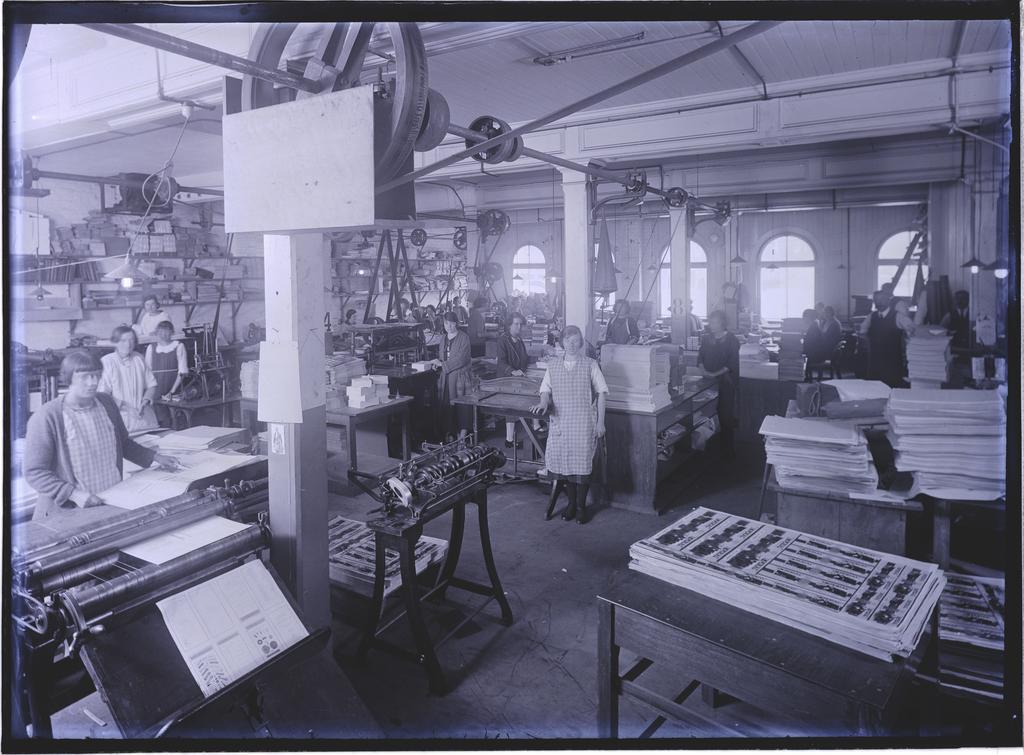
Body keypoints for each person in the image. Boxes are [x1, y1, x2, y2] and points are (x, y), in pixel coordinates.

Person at [23, 350, 180, 520]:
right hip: (71, 510)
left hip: (111, 500)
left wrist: (156, 457)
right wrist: (74, 494)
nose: (93, 382)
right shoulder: (48, 416)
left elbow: (123, 443)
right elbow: (34, 472)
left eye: (97, 375)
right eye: (85, 377)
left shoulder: (106, 403)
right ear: (68, 379)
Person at [530, 325, 608, 525]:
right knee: (565, 465)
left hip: (583, 424)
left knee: (581, 465)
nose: (572, 345)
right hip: (561, 423)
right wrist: (543, 402)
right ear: (562, 343)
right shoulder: (553, 365)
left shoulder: (590, 364)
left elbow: (601, 394)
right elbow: (545, 390)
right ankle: (571, 504)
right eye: (568, 341)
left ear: (580, 343)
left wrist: (600, 422)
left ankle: (581, 506)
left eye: (575, 341)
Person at [100, 325, 159, 433]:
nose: (128, 344)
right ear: (115, 342)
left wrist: (146, 400)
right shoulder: (107, 362)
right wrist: (125, 407)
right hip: (120, 416)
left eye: (131, 340)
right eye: (123, 341)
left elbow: (151, 385)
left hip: (143, 416)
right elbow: (103, 395)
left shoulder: (139, 358)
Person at [698, 310, 740, 460]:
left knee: (725, 416)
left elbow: (732, 363)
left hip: (725, 381)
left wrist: (715, 374)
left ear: (722, 323)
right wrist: (703, 370)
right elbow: (700, 356)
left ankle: (728, 451)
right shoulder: (706, 338)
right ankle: (708, 448)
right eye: (710, 322)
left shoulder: (732, 340)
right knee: (705, 414)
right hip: (708, 380)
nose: (711, 325)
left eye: (714, 322)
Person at [431, 312, 473, 440]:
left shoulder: (464, 338)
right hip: (446, 379)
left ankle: (462, 436)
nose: (448, 326)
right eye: (445, 323)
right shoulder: (443, 338)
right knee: (447, 406)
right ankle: (450, 434)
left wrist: (443, 364)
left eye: (451, 323)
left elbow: (462, 359)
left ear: (456, 323)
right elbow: (442, 357)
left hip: (460, 378)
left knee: (462, 406)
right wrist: (437, 364)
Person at [145, 320, 189, 427]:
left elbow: (182, 371)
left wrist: (172, 391)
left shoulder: (179, 346)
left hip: (173, 385)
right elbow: (147, 371)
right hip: (156, 387)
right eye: (160, 331)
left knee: (174, 418)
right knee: (158, 418)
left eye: (166, 331)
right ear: (156, 333)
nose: (163, 334)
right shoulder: (151, 348)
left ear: (172, 332)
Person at [859, 289, 905, 387]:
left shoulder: (898, 316)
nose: (878, 302)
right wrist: (870, 343)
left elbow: (911, 331)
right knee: (874, 387)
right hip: (875, 360)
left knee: (892, 386)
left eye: (881, 299)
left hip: (892, 360)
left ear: (888, 300)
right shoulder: (872, 316)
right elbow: (862, 331)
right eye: (876, 300)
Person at [497, 313, 530, 448]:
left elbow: (525, 359)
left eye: (520, 324)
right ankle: (509, 439)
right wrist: (513, 371)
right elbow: (501, 362)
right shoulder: (503, 340)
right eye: (516, 324)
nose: (519, 327)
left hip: (518, 377)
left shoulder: (519, 340)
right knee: (511, 408)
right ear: (509, 325)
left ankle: (534, 426)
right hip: (506, 378)